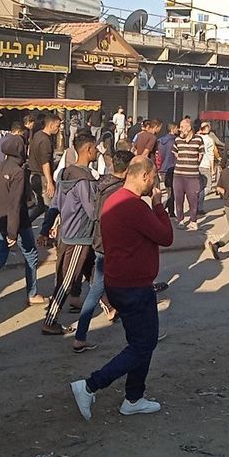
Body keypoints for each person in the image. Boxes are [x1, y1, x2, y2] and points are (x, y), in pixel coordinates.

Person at [70, 156, 173, 421]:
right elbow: (166, 236)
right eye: (154, 178)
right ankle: (91, 385)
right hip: (133, 286)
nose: (155, 184)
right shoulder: (133, 205)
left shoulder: (114, 199)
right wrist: (159, 205)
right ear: (144, 176)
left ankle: (134, 397)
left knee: (141, 343)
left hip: (119, 282)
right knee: (143, 345)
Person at [73, 150, 135, 353]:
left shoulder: (103, 184)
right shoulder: (119, 190)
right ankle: (141, 332)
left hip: (100, 243)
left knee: (100, 290)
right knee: (129, 289)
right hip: (112, 247)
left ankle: (80, 336)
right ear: (128, 170)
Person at [0, 137, 45, 309]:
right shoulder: (18, 172)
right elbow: (15, 204)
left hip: (1, 219)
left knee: (0, 257)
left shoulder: (0, 168)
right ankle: (32, 293)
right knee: (31, 254)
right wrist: (12, 232)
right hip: (17, 222)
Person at [43, 134, 99, 336]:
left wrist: (45, 228)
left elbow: (56, 203)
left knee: (95, 275)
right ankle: (50, 321)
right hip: (80, 235)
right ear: (88, 149)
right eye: (95, 148)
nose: (98, 151)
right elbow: (92, 211)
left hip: (67, 232)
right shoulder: (84, 180)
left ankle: (112, 308)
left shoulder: (65, 173)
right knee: (67, 280)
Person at [27, 114, 61, 246]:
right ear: (51, 125)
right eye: (57, 126)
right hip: (42, 177)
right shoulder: (45, 140)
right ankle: (44, 234)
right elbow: (45, 162)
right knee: (50, 207)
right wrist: (50, 182)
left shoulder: (37, 136)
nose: (58, 129)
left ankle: (24, 223)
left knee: (41, 206)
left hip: (34, 175)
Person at [172, 118, 204, 231]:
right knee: (178, 199)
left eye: (182, 127)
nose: (180, 129)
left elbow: (200, 155)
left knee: (193, 199)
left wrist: (193, 164)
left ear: (189, 128)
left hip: (192, 176)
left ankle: (193, 221)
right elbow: (175, 154)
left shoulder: (198, 139)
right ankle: (180, 220)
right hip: (178, 175)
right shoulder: (177, 140)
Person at [197, 122, 219, 215]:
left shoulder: (196, 138)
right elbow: (211, 154)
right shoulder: (210, 140)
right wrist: (212, 168)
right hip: (205, 165)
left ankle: (199, 206)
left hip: (197, 165)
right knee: (208, 187)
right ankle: (197, 199)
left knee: (200, 186)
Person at [157, 123, 178, 217]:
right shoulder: (175, 141)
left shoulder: (160, 141)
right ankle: (167, 210)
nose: (178, 130)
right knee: (173, 192)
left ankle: (169, 210)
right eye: (177, 128)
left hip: (162, 168)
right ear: (173, 129)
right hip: (172, 167)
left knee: (169, 190)